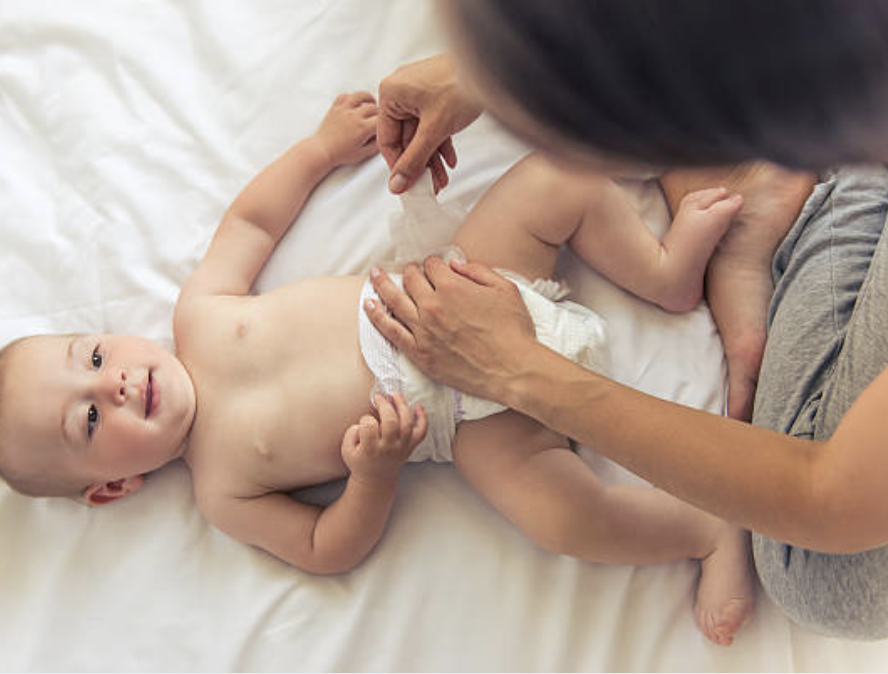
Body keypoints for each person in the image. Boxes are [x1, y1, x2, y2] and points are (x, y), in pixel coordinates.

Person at [0, 93, 756, 646]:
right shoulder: (223, 489)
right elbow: (325, 548)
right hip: (469, 423)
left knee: (557, 177)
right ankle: (705, 532)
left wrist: (316, 152)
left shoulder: (201, 315)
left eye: (95, 356)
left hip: (463, 281)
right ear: (112, 488)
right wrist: (373, 476)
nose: (110, 385)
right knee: (563, 520)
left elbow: (252, 220)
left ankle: (663, 272)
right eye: (88, 420)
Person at [367, 1, 888, 640]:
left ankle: (705, 528)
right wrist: (497, 67)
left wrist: (521, 372)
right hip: (462, 365)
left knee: (815, 574)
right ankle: (747, 187)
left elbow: (830, 499)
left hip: (478, 339)